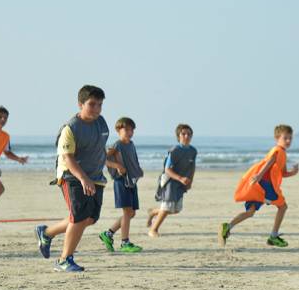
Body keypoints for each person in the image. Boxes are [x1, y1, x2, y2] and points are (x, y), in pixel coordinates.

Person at [34, 85, 109, 272]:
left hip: (96, 177)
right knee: (78, 217)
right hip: (72, 176)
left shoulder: (102, 123)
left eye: (100, 104)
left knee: (90, 218)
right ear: (80, 104)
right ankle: (64, 260)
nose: (97, 109)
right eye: (92, 104)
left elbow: (98, 149)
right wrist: (84, 179)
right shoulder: (71, 128)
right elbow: (68, 158)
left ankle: (47, 233)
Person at [221, 124, 299, 248]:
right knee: (283, 207)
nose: (288, 141)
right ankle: (273, 236)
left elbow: (282, 173)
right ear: (277, 138)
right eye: (285, 138)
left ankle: (228, 226)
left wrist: (292, 173)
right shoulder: (278, 150)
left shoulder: (282, 153)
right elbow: (270, 162)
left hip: (260, 186)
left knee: (250, 212)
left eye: (290, 138)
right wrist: (258, 175)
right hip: (266, 186)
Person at [98, 117, 144, 253]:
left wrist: (138, 170)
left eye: (131, 130)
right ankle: (125, 242)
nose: (129, 132)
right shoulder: (117, 145)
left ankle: (108, 234)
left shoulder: (131, 144)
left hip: (131, 181)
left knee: (132, 213)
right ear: (118, 130)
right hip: (121, 181)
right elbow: (102, 160)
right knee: (127, 212)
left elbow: (133, 159)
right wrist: (117, 165)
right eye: (126, 129)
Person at [147, 124, 197, 237]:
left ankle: (154, 212)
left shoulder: (193, 151)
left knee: (176, 209)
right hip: (170, 181)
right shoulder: (174, 150)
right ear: (178, 136)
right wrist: (179, 178)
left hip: (182, 182)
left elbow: (192, 166)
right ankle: (153, 230)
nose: (186, 136)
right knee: (167, 207)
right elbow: (167, 169)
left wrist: (190, 181)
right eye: (183, 134)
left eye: (189, 134)